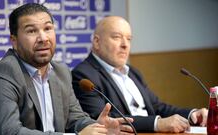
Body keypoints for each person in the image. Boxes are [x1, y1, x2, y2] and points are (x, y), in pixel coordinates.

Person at [0, 4, 134, 135]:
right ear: (14, 41)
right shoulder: (3, 75)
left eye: (47, 28)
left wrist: (96, 127)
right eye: (32, 31)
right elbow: (11, 132)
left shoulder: (61, 72)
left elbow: (76, 117)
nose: (43, 38)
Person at [72, 16, 208, 133]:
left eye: (129, 39)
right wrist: (157, 124)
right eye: (117, 37)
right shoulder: (83, 75)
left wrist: (192, 114)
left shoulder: (133, 72)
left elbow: (156, 107)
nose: (125, 45)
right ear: (96, 42)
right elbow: (104, 120)